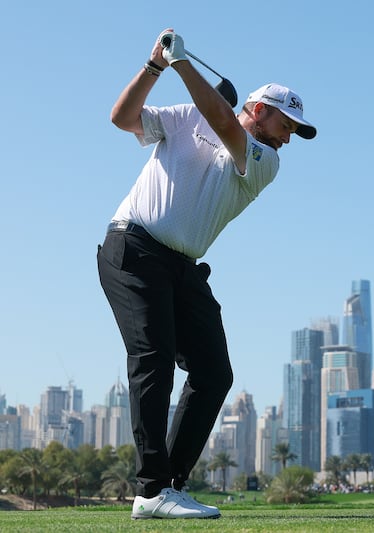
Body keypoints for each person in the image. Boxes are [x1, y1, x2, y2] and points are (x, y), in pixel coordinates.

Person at [97, 29, 316, 520]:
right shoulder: (186, 116)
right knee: (153, 357)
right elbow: (122, 118)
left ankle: (169, 485)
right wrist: (155, 67)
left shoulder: (266, 161)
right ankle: (152, 492)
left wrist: (180, 65)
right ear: (260, 109)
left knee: (214, 372)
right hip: (133, 248)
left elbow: (222, 121)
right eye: (288, 124)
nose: (290, 137)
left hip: (182, 267)